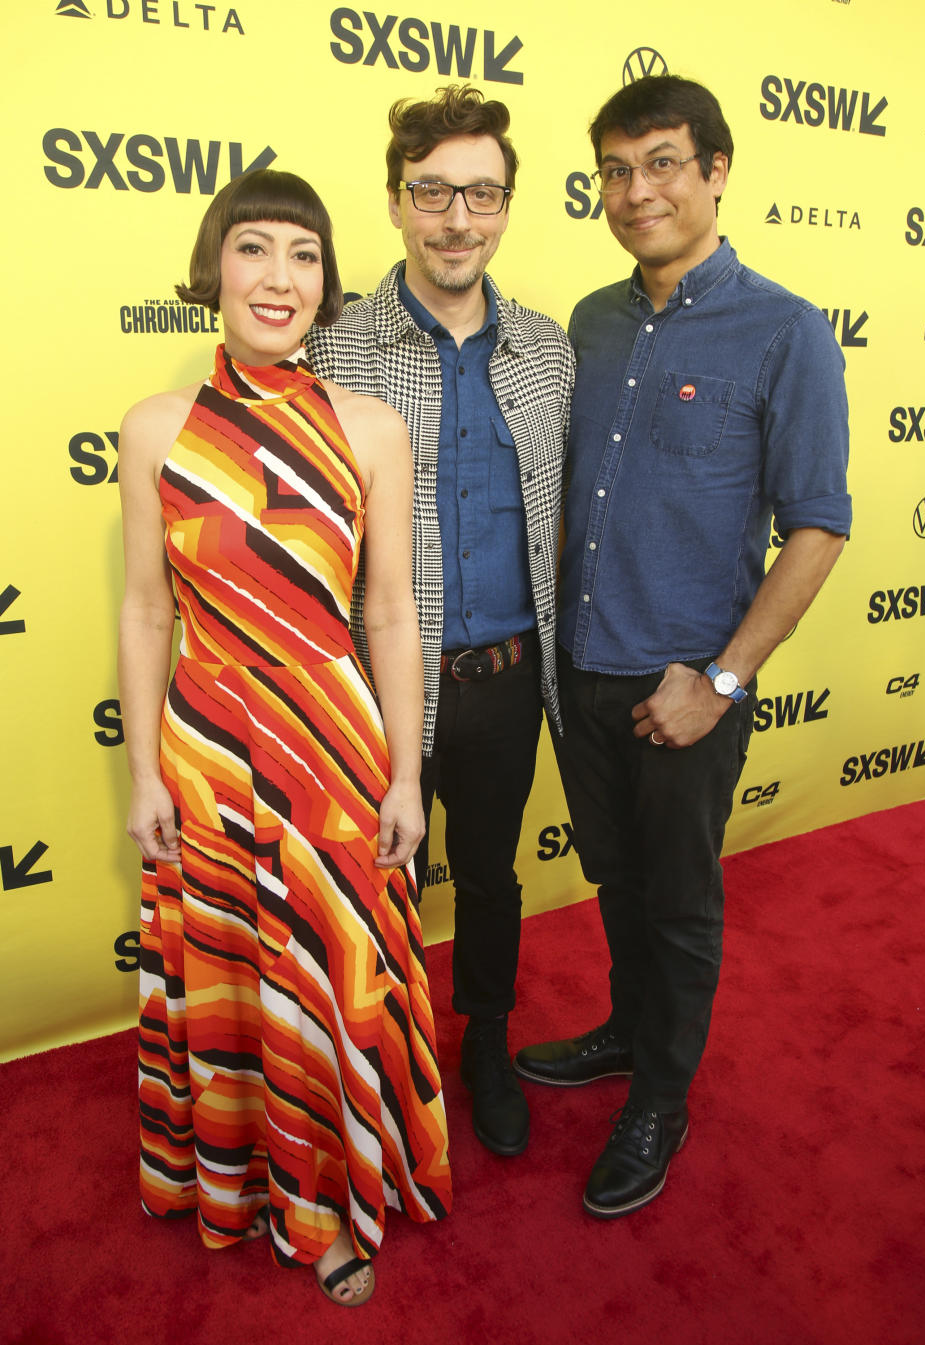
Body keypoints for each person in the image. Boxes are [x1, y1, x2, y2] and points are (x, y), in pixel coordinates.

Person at [514, 75, 852, 1216]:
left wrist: (722, 679)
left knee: (679, 900)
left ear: (715, 171)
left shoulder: (787, 331)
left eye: (661, 162)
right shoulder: (594, 323)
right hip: (587, 670)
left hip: (687, 688)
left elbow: (818, 526)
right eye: (615, 169)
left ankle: (663, 1089)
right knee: (615, 877)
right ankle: (628, 1028)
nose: (635, 189)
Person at [118, 169, 451, 1307]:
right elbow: (147, 608)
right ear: (215, 267)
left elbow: (396, 612)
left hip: (336, 750)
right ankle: (232, 1180)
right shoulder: (156, 428)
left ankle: (326, 1208)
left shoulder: (371, 426)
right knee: (229, 973)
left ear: (326, 282)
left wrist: (408, 772)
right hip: (207, 745)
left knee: (323, 976)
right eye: (253, 249)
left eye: (303, 254)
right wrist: (142, 774)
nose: (279, 276)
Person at [306, 85, 574, 1159]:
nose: (458, 219)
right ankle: (387, 1057)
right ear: (395, 200)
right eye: (434, 192)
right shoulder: (335, 346)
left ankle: (486, 1045)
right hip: (378, 684)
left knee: (496, 876)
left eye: (482, 194)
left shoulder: (550, 351)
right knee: (386, 880)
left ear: (507, 205)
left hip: (508, 680)